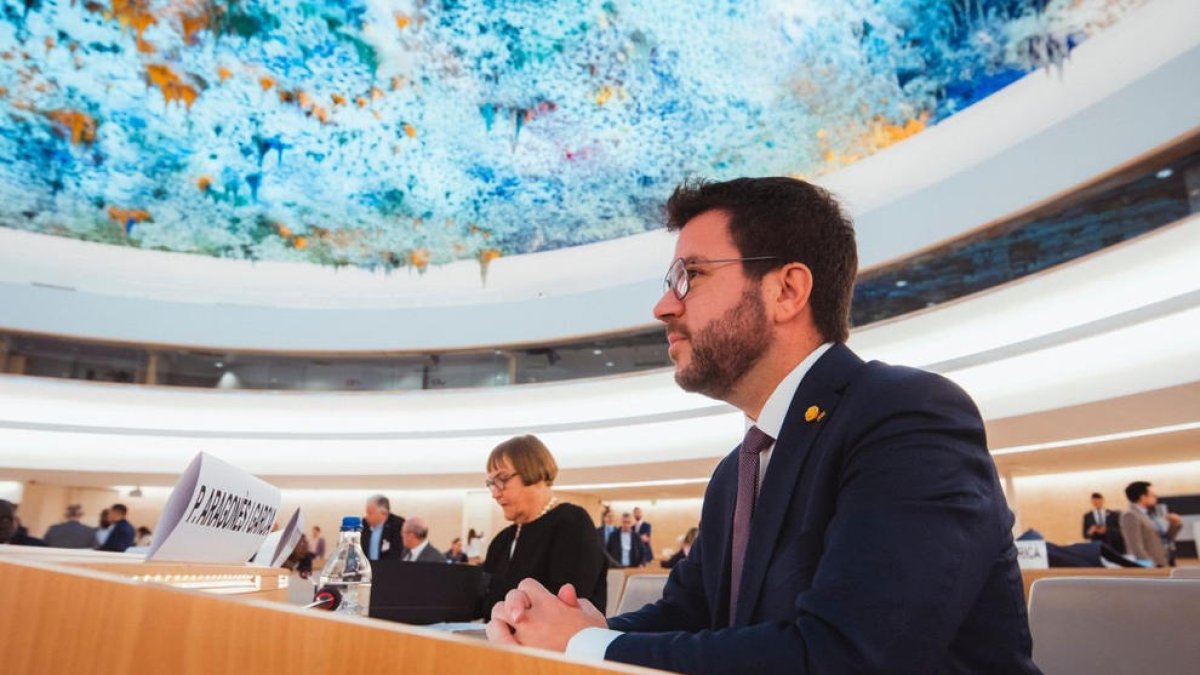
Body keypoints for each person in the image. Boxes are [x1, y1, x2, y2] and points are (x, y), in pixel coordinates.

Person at [485, 177, 1038, 673]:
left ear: (787, 290)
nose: (662, 306)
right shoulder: (737, 471)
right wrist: (571, 631)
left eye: (690, 276)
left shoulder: (906, 415)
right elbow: (693, 617)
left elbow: (849, 655)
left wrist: (585, 648)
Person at [479, 434, 607, 616]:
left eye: (502, 480)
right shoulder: (502, 540)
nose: (495, 494)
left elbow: (567, 606)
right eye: (491, 484)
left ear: (534, 473)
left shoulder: (572, 524)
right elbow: (485, 603)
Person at [1120, 481, 1182, 567]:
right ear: (1142, 497)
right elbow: (1135, 547)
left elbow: (1166, 538)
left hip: (1164, 561)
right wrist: (1152, 566)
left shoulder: (1149, 514)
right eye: (1152, 495)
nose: (1155, 497)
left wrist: (1174, 524)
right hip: (1154, 566)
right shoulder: (1130, 515)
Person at [361, 494, 405, 561]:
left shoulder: (398, 525)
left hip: (390, 568)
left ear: (384, 513)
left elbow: (398, 552)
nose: (367, 517)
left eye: (370, 513)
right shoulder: (363, 525)